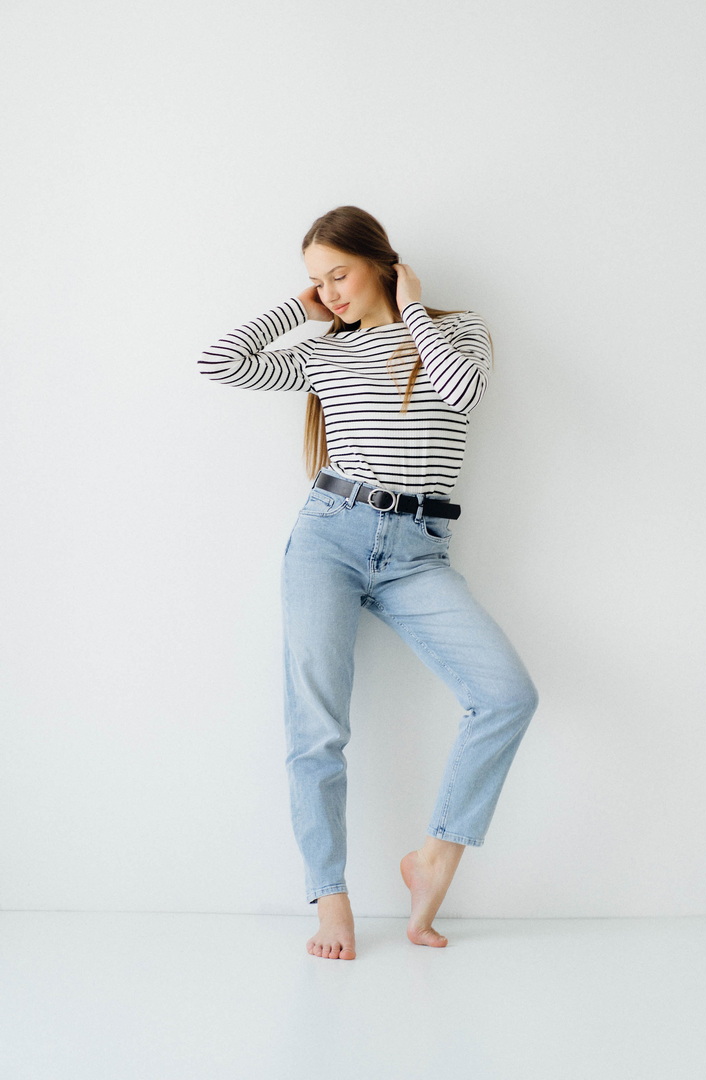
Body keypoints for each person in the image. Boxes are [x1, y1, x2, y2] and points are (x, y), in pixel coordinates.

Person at [199, 205, 538, 960]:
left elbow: (463, 394)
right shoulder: (325, 351)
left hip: (419, 553)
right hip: (329, 538)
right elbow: (220, 361)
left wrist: (411, 306)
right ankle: (331, 900)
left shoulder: (456, 331)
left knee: (506, 696)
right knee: (317, 728)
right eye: (318, 280)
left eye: (339, 274)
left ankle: (433, 859)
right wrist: (301, 308)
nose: (331, 292)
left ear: (383, 262)